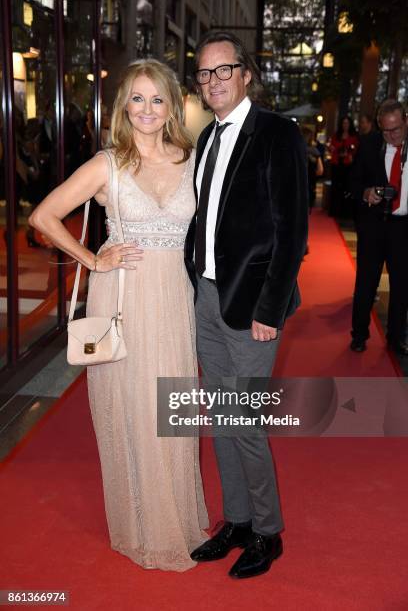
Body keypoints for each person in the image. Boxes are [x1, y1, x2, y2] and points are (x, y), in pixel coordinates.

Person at [29, 59, 209, 571]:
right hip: (123, 295)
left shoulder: (191, 159)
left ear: (173, 105)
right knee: (133, 411)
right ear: (123, 105)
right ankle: (142, 525)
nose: (148, 109)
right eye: (138, 98)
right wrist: (91, 258)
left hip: (174, 297)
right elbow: (43, 216)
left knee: (171, 409)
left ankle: (176, 514)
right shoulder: (107, 164)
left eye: (158, 99)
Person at [184, 31, 308, 579]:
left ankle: (266, 531)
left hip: (253, 304)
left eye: (223, 70)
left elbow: (291, 229)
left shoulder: (277, 134)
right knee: (221, 417)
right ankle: (235, 520)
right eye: (204, 73)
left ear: (246, 73)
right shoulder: (206, 137)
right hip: (207, 296)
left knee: (246, 422)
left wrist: (270, 308)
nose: (213, 81)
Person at [349, 99, 408, 355]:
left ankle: (396, 338)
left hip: (404, 228)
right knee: (365, 283)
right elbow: (352, 181)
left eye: (395, 129)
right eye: (385, 130)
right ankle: (359, 335)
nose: (390, 135)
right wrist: (365, 193)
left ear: (406, 121)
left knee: (402, 287)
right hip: (373, 225)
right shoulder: (370, 144)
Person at [328, 115, 359, 218]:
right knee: (335, 187)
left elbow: (355, 150)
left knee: (346, 187)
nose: (345, 125)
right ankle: (334, 211)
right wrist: (332, 149)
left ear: (350, 125)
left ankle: (345, 212)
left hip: (347, 165)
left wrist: (350, 155)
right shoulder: (336, 135)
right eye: (343, 123)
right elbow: (331, 147)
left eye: (347, 123)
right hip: (336, 164)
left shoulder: (354, 137)